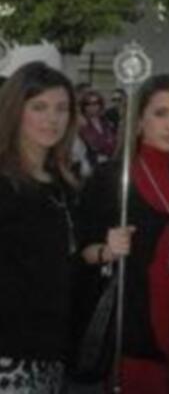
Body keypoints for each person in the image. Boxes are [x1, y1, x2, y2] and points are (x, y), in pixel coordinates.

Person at [78, 74, 169, 393]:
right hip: (131, 334)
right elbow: (81, 251)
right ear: (141, 119)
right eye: (161, 113)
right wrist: (106, 250)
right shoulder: (111, 178)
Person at [0, 62, 79, 393]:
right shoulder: (4, 183)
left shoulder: (64, 183)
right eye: (40, 107)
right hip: (8, 355)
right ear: (17, 110)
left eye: (61, 108)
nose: (52, 119)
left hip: (51, 350)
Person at [78, 90, 116, 170]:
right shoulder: (81, 124)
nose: (92, 107)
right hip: (90, 165)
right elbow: (93, 144)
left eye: (95, 103)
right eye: (88, 104)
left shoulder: (107, 123)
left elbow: (112, 143)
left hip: (108, 163)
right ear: (83, 106)